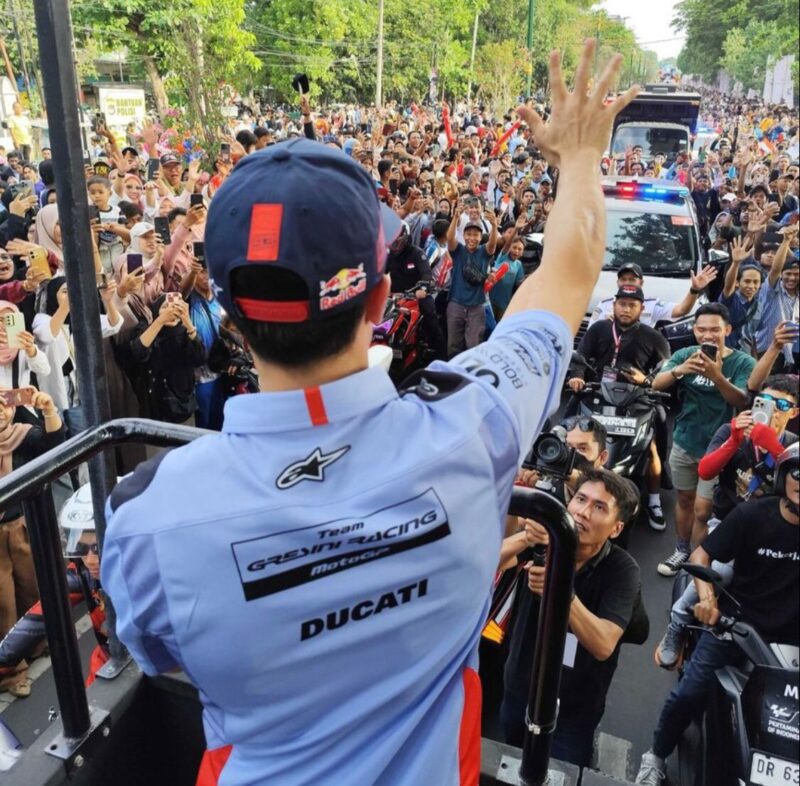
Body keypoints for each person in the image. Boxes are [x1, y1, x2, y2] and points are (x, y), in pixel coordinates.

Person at [101, 42, 639, 786]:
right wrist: (579, 156)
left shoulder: (146, 518)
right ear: (382, 302)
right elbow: (573, 268)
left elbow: (159, 655)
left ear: (226, 309)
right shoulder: (475, 423)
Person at [635, 444, 799, 786]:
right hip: (738, 628)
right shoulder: (752, 516)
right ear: (784, 476)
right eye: (798, 472)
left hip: (791, 642)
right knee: (690, 693)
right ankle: (656, 754)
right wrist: (708, 599)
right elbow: (702, 555)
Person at [654, 374, 797, 669]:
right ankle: (678, 623)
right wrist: (733, 440)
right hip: (731, 525)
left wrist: (774, 449)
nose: (773, 408)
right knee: (721, 570)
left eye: (783, 404)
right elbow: (706, 471)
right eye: (766, 400)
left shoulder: (793, 447)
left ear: (794, 412)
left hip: (776, 529)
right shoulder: (732, 431)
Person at [501, 468, 641, 767]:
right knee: (511, 764)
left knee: (562, 772)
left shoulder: (622, 570)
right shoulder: (543, 539)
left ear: (616, 528)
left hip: (573, 710)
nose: (583, 513)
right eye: (580, 499)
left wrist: (561, 589)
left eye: (599, 507)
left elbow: (603, 644)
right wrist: (525, 538)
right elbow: (487, 565)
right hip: (518, 688)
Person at [651, 303, 755, 576]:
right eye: (702, 329)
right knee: (684, 500)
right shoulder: (685, 355)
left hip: (720, 449)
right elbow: (655, 383)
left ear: (728, 330)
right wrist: (680, 370)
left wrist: (717, 376)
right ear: (695, 331)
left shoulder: (743, 362)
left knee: (703, 510)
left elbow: (742, 400)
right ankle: (681, 550)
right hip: (685, 441)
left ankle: (696, 563)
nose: (708, 336)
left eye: (715, 330)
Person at [568, 285, 671, 528]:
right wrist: (577, 376)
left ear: (641, 309)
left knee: (654, 440)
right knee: (568, 426)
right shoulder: (598, 329)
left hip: (637, 400)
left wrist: (646, 381)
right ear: (614, 305)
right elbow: (580, 357)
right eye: (622, 304)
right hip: (596, 395)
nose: (626, 309)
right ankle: (559, 479)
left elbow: (666, 367)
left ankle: (654, 498)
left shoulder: (653, 336)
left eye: (632, 305)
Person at [0, 481, 110, 688]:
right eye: (81, 547)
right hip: (109, 657)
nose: (90, 560)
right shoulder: (81, 572)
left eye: (98, 547)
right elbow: (40, 616)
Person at [0, 385, 64, 697]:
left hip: (22, 525)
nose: (1, 410)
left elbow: (54, 442)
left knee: (31, 588)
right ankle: (11, 673)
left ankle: (37, 644)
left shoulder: (21, 434)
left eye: (5, 403)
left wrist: (49, 409)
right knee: (3, 603)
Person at [588, 262, 718, 327]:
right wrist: (605, 324)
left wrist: (694, 290)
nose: (627, 283)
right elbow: (589, 336)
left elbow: (682, 310)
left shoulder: (651, 306)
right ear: (617, 283)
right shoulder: (604, 306)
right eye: (623, 279)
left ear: (641, 283)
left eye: (632, 280)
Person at [445, 201, 498, 356]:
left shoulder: (484, 252)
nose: (472, 238)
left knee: (473, 346)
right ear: (464, 235)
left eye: (475, 235)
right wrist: (455, 218)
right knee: (453, 345)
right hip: (456, 304)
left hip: (477, 307)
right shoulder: (459, 251)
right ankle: (454, 375)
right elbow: (449, 239)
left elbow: (493, 243)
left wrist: (494, 226)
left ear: (481, 237)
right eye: (468, 234)